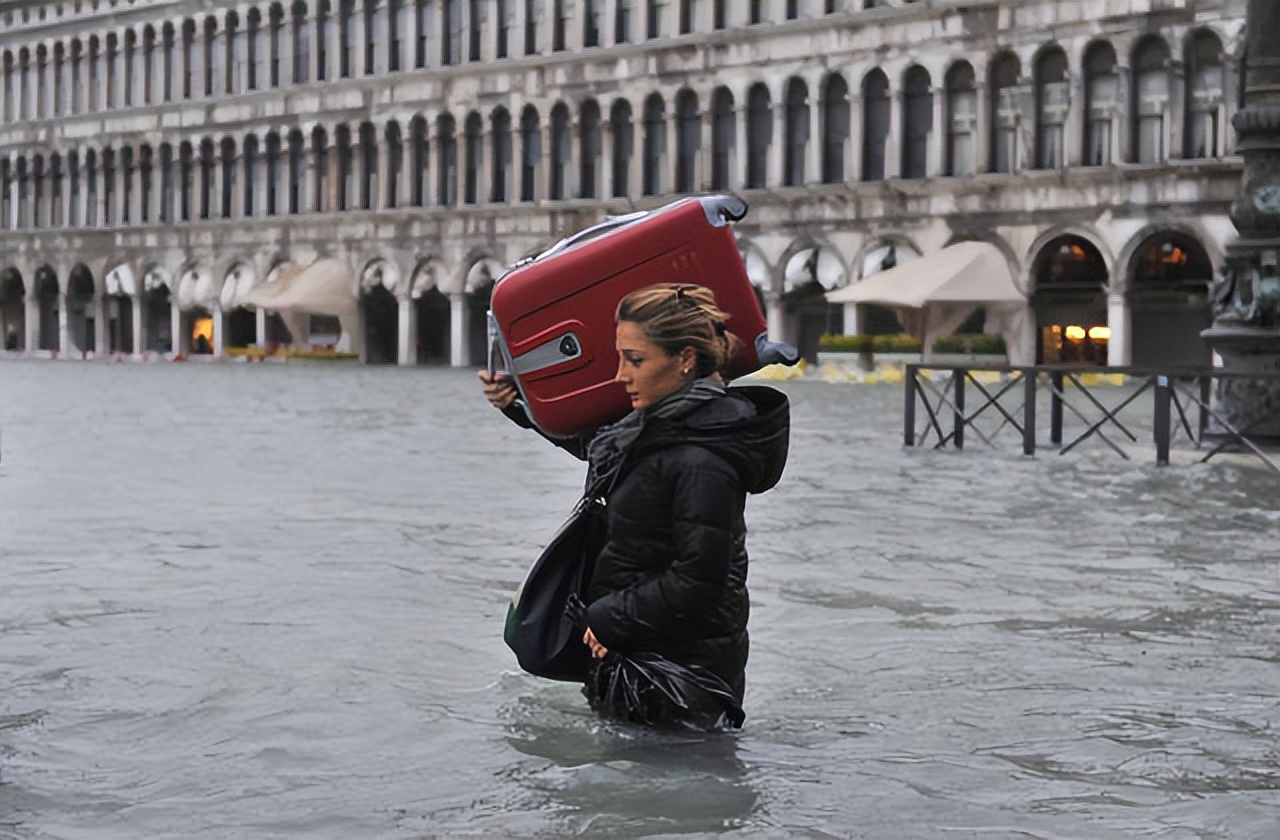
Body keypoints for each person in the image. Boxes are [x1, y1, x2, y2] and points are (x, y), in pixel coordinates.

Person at [480, 283, 790, 729]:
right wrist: (521, 407)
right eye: (620, 356)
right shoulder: (653, 426)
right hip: (639, 662)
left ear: (685, 360)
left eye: (636, 360)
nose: (621, 374)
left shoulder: (706, 457)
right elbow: (600, 449)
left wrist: (608, 619)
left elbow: (699, 579)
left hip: (681, 683)